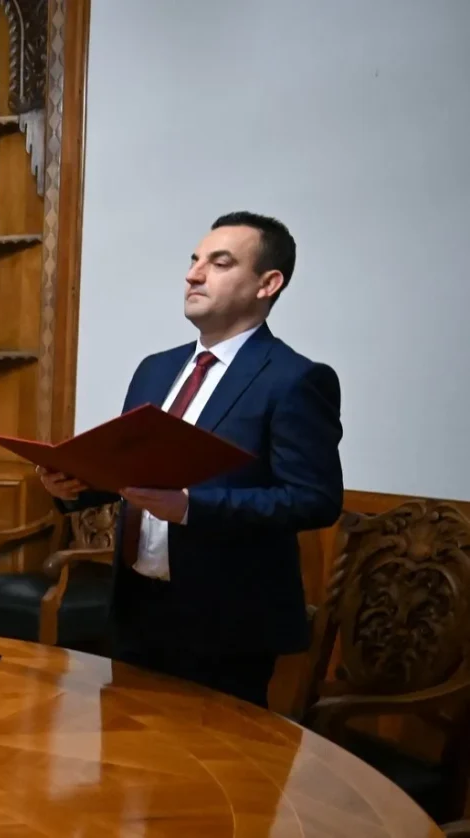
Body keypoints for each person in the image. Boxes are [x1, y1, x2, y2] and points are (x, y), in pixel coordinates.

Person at [41, 211, 343, 708]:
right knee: (125, 747)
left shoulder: (294, 379)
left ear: (268, 284)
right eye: (194, 260)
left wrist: (190, 508)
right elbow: (135, 474)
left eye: (219, 264)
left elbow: (314, 500)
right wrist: (72, 488)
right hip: (136, 605)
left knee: (211, 756)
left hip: (226, 621)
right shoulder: (156, 369)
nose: (194, 275)